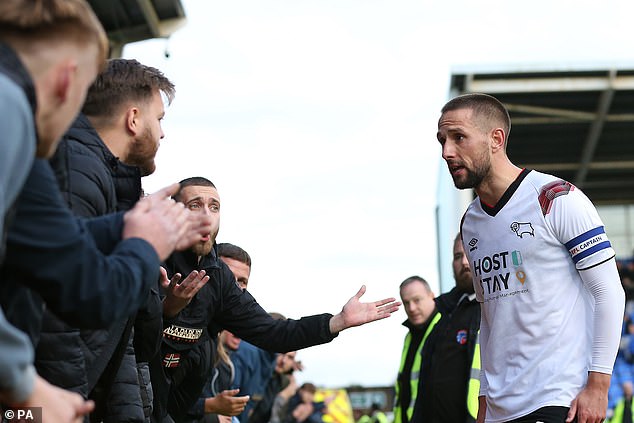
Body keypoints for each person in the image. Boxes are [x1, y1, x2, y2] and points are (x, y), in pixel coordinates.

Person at [0, 0, 212, 419]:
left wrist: (128, 227)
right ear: (66, 81)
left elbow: (54, 247)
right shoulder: (14, 111)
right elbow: (80, 291)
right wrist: (144, 244)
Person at [437, 92, 625, 422]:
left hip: (558, 399)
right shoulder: (470, 222)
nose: (447, 152)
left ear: (496, 139)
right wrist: (483, 401)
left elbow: (609, 292)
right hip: (499, 408)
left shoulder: (556, 198)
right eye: (442, 140)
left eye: (458, 138)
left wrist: (598, 385)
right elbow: (491, 317)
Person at [37, 58, 206, 423]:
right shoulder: (77, 170)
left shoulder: (114, 182)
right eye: (159, 119)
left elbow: (120, 327)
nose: (163, 134)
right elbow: (57, 309)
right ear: (133, 119)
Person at [154, 176, 401, 422]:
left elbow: (274, 333)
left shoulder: (218, 278)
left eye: (214, 207)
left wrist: (337, 322)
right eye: (195, 205)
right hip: (137, 403)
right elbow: (131, 348)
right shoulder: (151, 257)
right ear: (174, 212)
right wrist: (166, 312)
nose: (207, 215)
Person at [410, 233, 481, 422]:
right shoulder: (442, 310)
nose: (464, 262)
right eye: (458, 256)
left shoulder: (496, 308)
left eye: (470, 253)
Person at [393, 276, 437, 423]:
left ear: (432, 296)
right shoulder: (409, 337)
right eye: (406, 303)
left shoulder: (445, 329)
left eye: (417, 300)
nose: (411, 308)